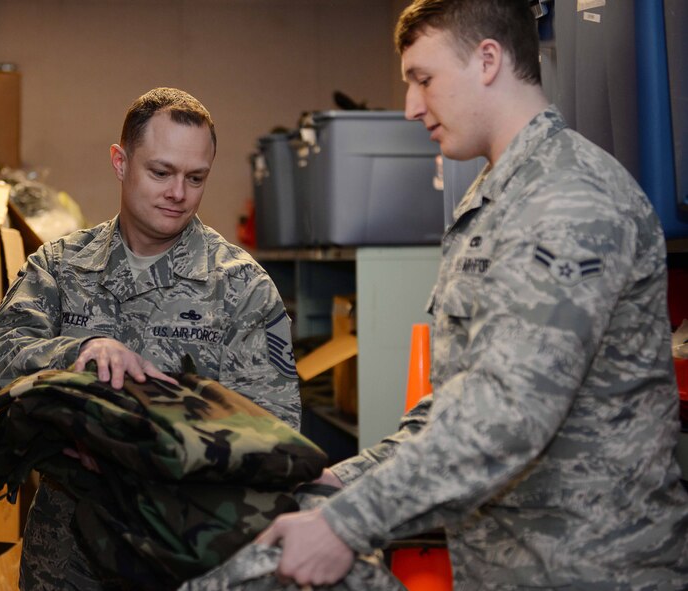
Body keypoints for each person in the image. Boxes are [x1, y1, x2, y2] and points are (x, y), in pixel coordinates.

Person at [246, 0, 688, 588]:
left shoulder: (569, 200)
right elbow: (455, 405)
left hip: (593, 570)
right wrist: (342, 483)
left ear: (487, 60)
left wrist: (347, 525)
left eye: (422, 79)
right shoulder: (494, 198)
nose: (409, 106)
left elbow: (506, 416)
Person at [0, 87, 301, 589]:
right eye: (161, 172)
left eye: (196, 178)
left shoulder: (241, 286)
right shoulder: (62, 266)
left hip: (182, 553)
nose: (179, 193)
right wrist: (79, 351)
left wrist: (154, 450)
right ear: (120, 161)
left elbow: (275, 435)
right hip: (65, 555)